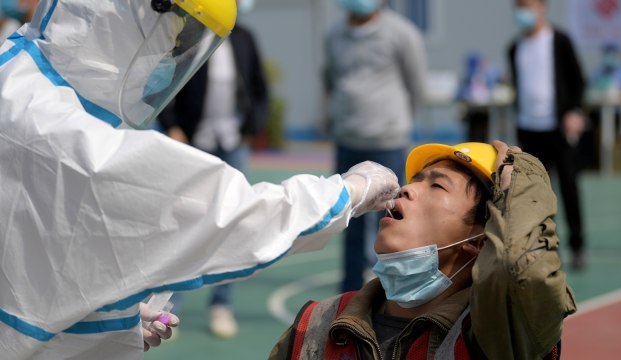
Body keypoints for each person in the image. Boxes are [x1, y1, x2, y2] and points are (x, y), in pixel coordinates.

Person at [0, 0, 401, 358]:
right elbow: (221, 211)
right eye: (174, 35)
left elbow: (39, 238)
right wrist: (349, 191)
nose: (166, 56)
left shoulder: (23, 74)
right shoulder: (63, 128)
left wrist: (103, 315)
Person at [269, 140, 577, 359]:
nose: (406, 188)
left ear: (479, 241)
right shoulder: (316, 325)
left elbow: (526, 273)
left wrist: (523, 177)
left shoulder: (496, 338)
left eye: (437, 186)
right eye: (414, 180)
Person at [157, 0, 268, 339]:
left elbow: (259, 86)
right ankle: (168, 308)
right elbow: (164, 82)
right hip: (195, 143)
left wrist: (253, 125)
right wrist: (172, 124)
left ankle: (222, 304)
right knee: (186, 222)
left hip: (233, 144)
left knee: (233, 223)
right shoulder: (192, 35)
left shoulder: (246, 37)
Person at [325, 0, 429, 292]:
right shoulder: (333, 34)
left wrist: (400, 122)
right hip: (348, 139)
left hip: (389, 141)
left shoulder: (402, 33)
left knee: (397, 217)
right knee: (347, 219)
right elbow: (331, 78)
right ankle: (348, 293)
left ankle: (403, 290)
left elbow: (417, 84)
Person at [507, 0, 587, 270]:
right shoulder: (515, 47)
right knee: (533, 194)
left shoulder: (560, 41)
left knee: (568, 187)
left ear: (542, 7)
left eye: (528, 6)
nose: (523, 12)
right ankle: (540, 247)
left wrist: (574, 111)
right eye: (518, 7)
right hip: (529, 130)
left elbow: (578, 80)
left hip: (558, 130)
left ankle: (578, 246)